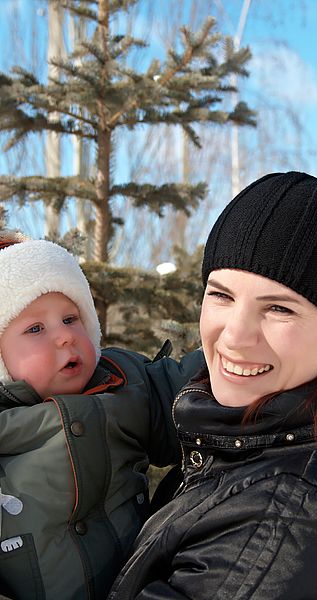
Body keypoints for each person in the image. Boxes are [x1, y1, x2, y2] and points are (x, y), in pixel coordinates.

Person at [108, 171, 317, 600]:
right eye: (221, 295)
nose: (234, 336)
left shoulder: (280, 526)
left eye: (278, 308)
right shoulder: (247, 442)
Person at [0, 230, 204, 600]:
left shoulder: (124, 381)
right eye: (35, 328)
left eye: (70, 318)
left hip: (143, 587)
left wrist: (233, 353)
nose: (64, 337)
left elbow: (190, 388)